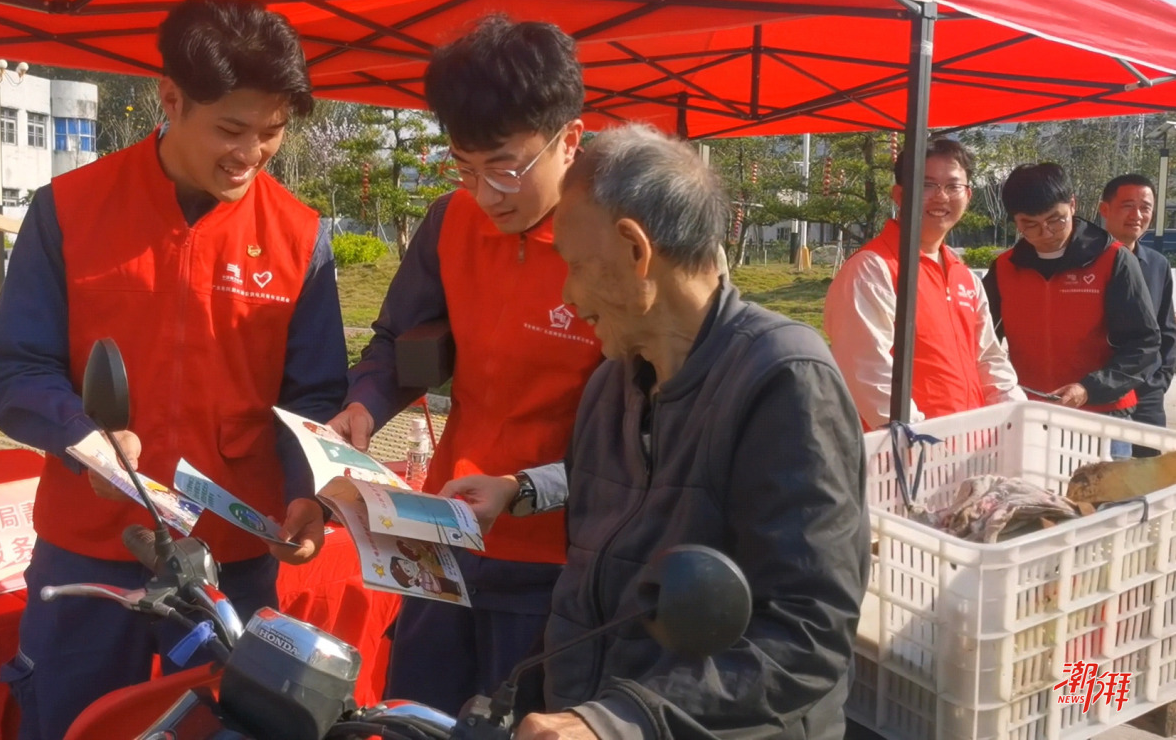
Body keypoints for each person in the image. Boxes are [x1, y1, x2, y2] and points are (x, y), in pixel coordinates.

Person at [0, 0, 346, 740]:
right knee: (71, 722)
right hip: (90, 547)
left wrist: (310, 496)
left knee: (229, 726)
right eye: (231, 130)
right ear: (170, 98)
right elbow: (17, 367)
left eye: (272, 132)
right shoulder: (70, 209)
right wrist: (82, 437)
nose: (251, 154)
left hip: (233, 558)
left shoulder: (299, 237)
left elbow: (314, 396)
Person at [443, 124, 870, 740]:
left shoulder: (783, 379)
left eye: (576, 266)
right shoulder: (610, 386)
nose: (568, 295)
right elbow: (584, 592)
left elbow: (807, 632)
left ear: (634, 249)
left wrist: (617, 720)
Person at [328, 15, 603, 715]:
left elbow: (642, 439)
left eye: (507, 168)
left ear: (571, 138)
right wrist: (363, 406)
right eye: (465, 168)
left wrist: (526, 488)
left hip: (559, 562)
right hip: (442, 536)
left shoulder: (611, 246)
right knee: (413, 715)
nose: (488, 195)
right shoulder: (450, 222)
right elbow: (398, 342)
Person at [825, 137, 1024, 429]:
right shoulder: (873, 269)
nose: (941, 197)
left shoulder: (964, 276)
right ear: (899, 194)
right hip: (906, 448)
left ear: (968, 195)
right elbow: (868, 372)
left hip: (970, 442)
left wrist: (1017, 417)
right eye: (927, 185)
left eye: (953, 186)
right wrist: (921, 440)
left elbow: (988, 359)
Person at [984, 163, 1159, 457]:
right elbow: (980, 343)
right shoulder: (1004, 268)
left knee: (1105, 488)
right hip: (1031, 415)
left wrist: (1090, 388)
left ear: (1073, 204)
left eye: (1056, 220)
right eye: (1030, 225)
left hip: (1103, 415)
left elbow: (1144, 343)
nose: (1046, 233)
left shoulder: (1113, 259)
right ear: (1015, 222)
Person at [1099, 173, 1176, 450]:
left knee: (1149, 470)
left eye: (1145, 207)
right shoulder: (1085, 263)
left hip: (1147, 396)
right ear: (1105, 209)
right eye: (1127, 205)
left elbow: (1167, 330)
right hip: (1099, 397)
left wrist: (1160, 379)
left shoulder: (1157, 264)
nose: (1137, 215)